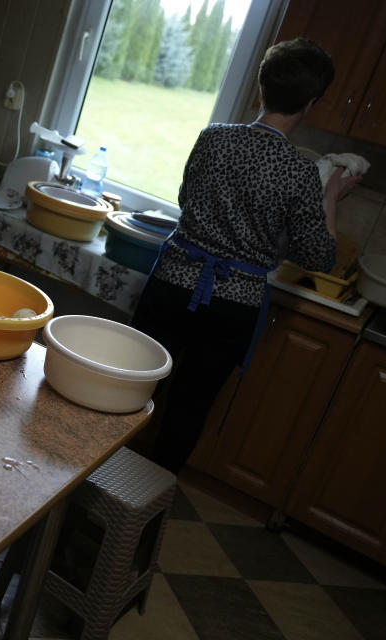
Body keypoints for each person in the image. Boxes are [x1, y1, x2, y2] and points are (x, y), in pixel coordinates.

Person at [131, 38, 362, 474]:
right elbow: (318, 255)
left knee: (132, 385)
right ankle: (142, 509)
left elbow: (186, 199)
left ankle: (89, 482)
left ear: (261, 89)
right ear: (310, 104)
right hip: (231, 306)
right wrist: (332, 195)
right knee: (189, 407)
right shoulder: (300, 172)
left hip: (172, 282)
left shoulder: (213, 139)